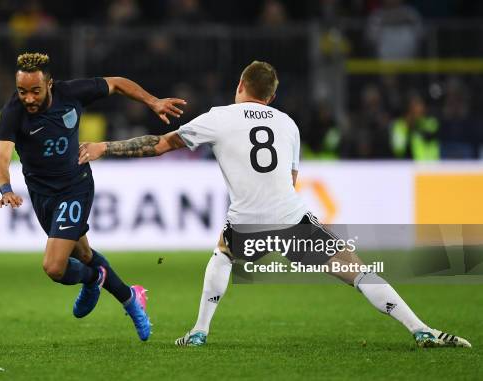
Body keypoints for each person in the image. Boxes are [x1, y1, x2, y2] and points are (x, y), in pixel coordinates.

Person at [78, 61, 471, 348]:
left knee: (222, 255)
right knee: (358, 270)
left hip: (246, 222)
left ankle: (199, 331)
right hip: (291, 219)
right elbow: (292, 180)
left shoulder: (219, 118)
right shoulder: (287, 124)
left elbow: (159, 145)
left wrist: (104, 147)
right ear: (272, 95)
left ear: (240, 86)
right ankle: (421, 329)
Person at [0, 52, 186, 341]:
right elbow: (1, 161)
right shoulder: (12, 112)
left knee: (54, 267)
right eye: (22, 91)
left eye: (35, 91)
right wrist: (6, 189)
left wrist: (153, 101)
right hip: (41, 194)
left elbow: (118, 83)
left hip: (75, 185)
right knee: (82, 254)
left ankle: (95, 279)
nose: (28, 98)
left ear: (50, 84)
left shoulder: (72, 93)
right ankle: (131, 297)